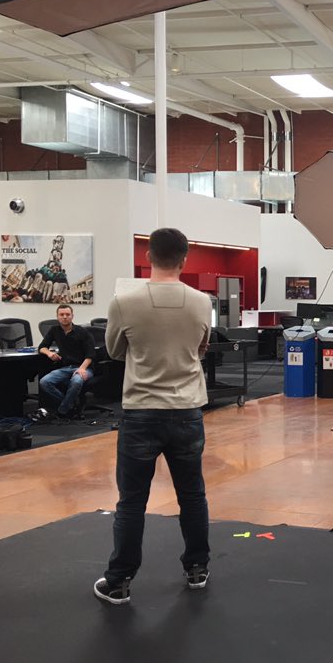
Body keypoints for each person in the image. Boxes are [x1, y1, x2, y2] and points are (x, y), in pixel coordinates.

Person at [94, 227, 212, 605]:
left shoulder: (123, 302)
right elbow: (201, 348)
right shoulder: (202, 302)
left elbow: (114, 351)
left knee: (131, 502)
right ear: (184, 259)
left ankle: (119, 581)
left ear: (148, 257)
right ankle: (197, 568)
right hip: (187, 411)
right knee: (192, 495)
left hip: (141, 412)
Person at [37, 303, 96, 421]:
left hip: (84, 367)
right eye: (62, 314)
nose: (65, 317)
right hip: (66, 367)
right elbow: (42, 347)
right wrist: (49, 353)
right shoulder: (54, 330)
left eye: (67, 314)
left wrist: (82, 368)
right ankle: (70, 406)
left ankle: (62, 411)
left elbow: (91, 354)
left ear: (72, 316)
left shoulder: (82, 332)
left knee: (76, 381)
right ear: (57, 316)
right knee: (44, 382)